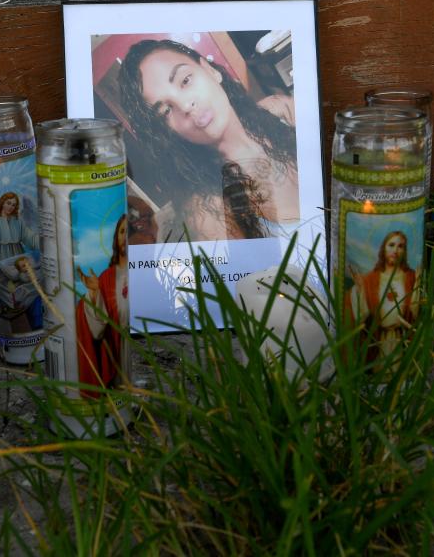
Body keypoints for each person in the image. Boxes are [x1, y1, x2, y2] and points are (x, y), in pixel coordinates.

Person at [118, 38, 299, 242]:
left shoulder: (283, 113)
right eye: (166, 110)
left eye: (185, 81)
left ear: (211, 71)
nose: (186, 105)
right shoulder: (208, 215)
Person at [346, 230, 420, 362]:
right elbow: (360, 314)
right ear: (383, 248)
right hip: (378, 343)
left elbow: (415, 313)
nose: (395, 250)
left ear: (405, 251)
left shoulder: (410, 277)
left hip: (401, 342)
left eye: (400, 246)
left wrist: (417, 284)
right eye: (391, 245)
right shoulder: (371, 279)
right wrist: (360, 290)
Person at [75, 215, 128, 398]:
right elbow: (98, 328)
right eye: (122, 231)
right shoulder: (106, 277)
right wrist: (94, 293)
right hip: (117, 350)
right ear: (116, 238)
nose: (126, 236)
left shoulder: (143, 268)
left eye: (130, 231)